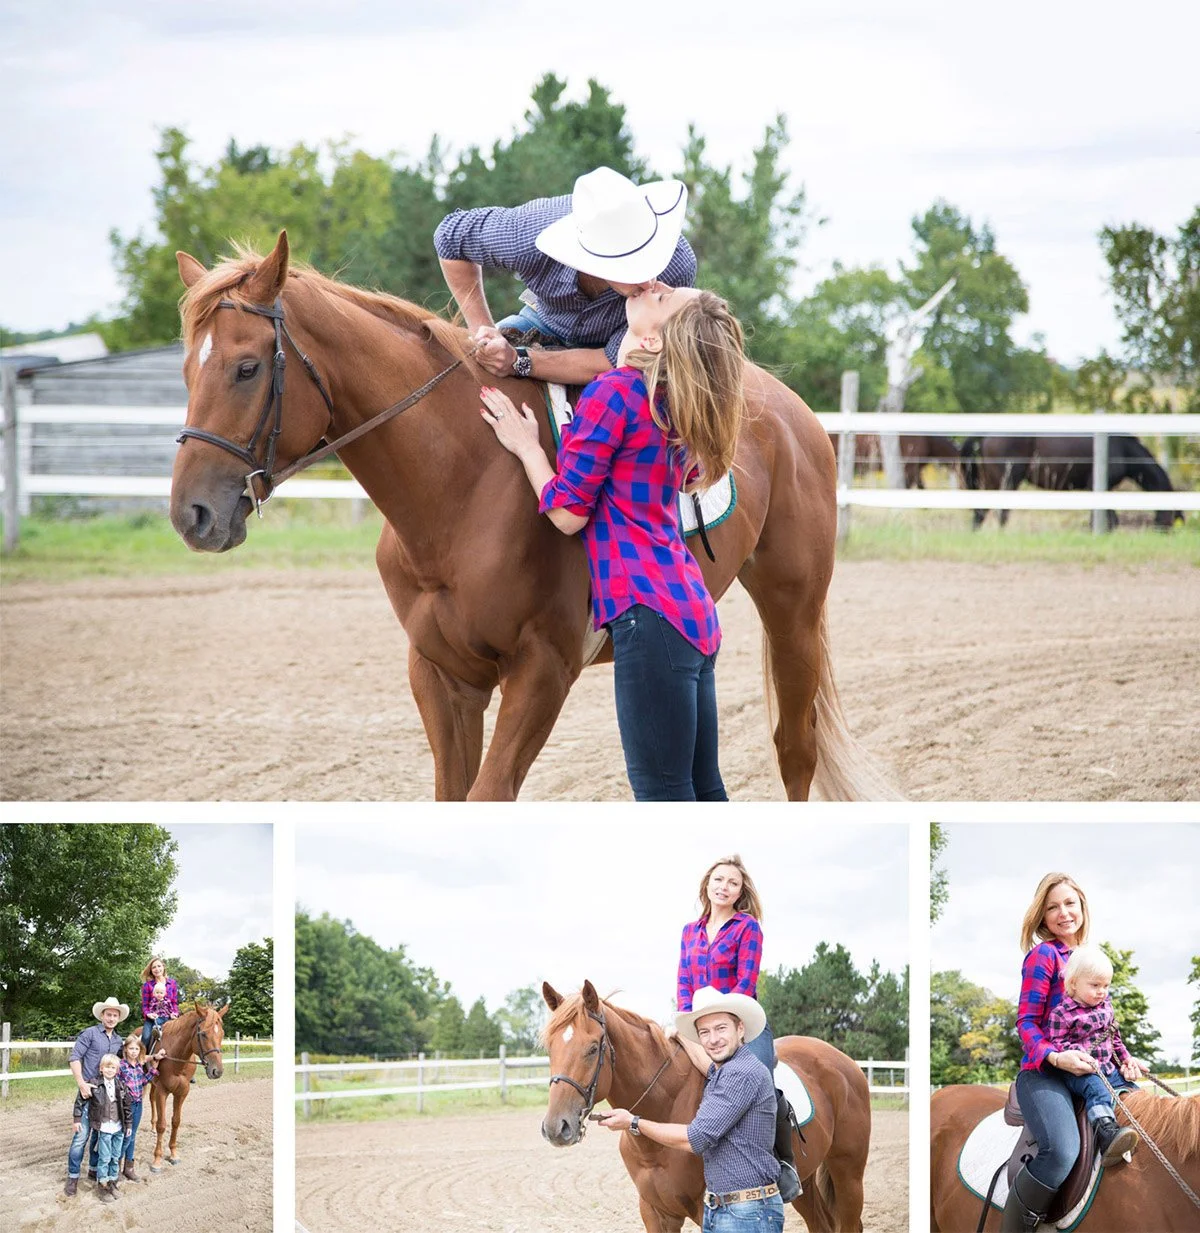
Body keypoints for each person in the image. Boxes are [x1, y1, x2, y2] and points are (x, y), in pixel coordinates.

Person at [480, 281, 744, 800]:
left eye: (665, 298)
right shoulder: (677, 404)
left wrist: (527, 446)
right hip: (693, 614)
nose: (658, 286)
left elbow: (567, 513)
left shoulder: (616, 394)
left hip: (646, 617)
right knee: (704, 789)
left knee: (661, 793)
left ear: (653, 343)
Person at [435, 165, 696, 385]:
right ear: (593, 260)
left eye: (651, 260)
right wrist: (483, 331)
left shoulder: (678, 266)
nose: (650, 282)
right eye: (630, 266)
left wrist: (519, 361)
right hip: (540, 321)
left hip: (623, 352)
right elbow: (450, 237)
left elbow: (617, 357)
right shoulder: (528, 233)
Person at [1003, 873, 1148, 1232]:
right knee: (1062, 1151)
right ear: (1041, 916)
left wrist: (1125, 1059)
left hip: (1094, 1067)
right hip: (1047, 1072)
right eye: (1052, 906)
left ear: (1082, 907)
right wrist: (1055, 1057)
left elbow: (1107, 1025)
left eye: (1070, 903)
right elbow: (1026, 1022)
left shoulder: (1090, 960)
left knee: (1148, 1125)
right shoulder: (1044, 956)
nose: (1063, 912)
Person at [596, 987, 786, 1233]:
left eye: (721, 1028)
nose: (713, 1039)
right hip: (726, 1210)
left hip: (746, 1215)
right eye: (704, 1033)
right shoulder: (726, 1071)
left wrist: (633, 1122)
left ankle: (788, 1161)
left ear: (740, 1029)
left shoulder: (741, 1074)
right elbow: (709, 1067)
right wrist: (682, 1037)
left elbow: (696, 1138)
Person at [674, 855, 801, 1200]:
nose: (724, 887)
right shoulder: (690, 931)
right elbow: (684, 979)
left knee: (759, 1076)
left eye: (732, 882)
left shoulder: (748, 928)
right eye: (718, 880)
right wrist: (687, 1021)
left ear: (741, 891)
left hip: (741, 1021)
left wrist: (724, 1023)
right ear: (707, 884)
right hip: (697, 1021)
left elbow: (746, 982)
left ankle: (782, 1162)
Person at [1042, 945, 1140, 1164]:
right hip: (1079, 1071)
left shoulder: (1106, 1007)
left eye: (1106, 985)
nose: (1102, 991)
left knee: (1133, 1091)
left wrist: (1126, 1058)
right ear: (1074, 983)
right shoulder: (1061, 1013)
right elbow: (1057, 1043)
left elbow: (1115, 1039)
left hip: (1107, 1067)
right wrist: (1075, 1054)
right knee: (1097, 1090)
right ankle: (1106, 1132)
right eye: (1095, 985)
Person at [64, 996, 128, 1197]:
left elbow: (130, 1058)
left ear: (118, 1018)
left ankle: (93, 1169)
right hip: (89, 1091)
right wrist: (82, 1083)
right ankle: (73, 1176)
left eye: (114, 1015)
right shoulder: (90, 1034)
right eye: (108, 1014)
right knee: (81, 1137)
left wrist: (153, 1058)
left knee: (98, 1137)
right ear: (102, 1015)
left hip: (106, 1095)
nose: (111, 1018)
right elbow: (74, 1058)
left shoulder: (118, 1040)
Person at [71, 1051, 132, 1203]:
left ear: (117, 1070)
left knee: (115, 1156)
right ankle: (102, 1184)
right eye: (107, 1067)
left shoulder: (121, 1086)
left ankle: (112, 1182)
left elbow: (126, 1107)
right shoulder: (94, 1083)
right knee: (104, 1157)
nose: (110, 1070)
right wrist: (77, 1119)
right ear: (101, 1068)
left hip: (118, 1127)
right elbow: (80, 1100)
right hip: (104, 1128)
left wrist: (128, 1124)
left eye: (113, 1067)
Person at [117, 1032, 159, 1183]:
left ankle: (129, 1168)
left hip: (138, 1104)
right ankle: (116, 1166)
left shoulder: (139, 1066)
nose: (134, 1052)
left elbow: (142, 1082)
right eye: (131, 1049)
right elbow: (117, 1085)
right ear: (125, 1050)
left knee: (132, 1134)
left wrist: (153, 1069)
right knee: (125, 1135)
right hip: (126, 1106)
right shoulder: (121, 1066)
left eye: (136, 1049)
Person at [140, 956, 179, 1052]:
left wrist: (175, 1013)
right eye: (154, 967)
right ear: (151, 970)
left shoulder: (172, 983)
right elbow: (145, 1005)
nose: (157, 969)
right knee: (145, 1037)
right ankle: (140, 1061)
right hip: (153, 1018)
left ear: (163, 967)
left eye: (159, 966)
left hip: (168, 1017)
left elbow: (174, 1002)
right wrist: (148, 1014)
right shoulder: (147, 986)